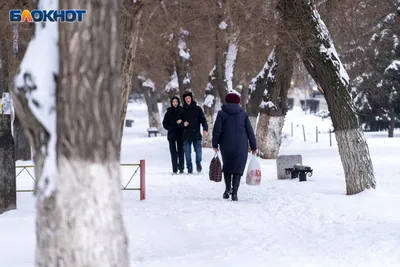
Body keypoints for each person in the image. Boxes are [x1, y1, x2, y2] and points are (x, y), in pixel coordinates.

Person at [212, 92, 257, 201]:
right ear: (238, 102)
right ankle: (235, 193)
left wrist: (215, 144)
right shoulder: (243, 114)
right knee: (238, 167)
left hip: (226, 144)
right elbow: (250, 132)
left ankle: (228, 189)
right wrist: (253, 146)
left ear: (227, 101)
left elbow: (217, 131)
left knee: (227, 166)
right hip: (241, 145)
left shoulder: (221, 113)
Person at [178, 91, 208, 174]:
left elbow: (203, 120)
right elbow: (178, 121)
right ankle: (189, 168)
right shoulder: (182, 110)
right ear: (184, 100)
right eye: (186, 98)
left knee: (198, 152)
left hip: (196, 134)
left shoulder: (198, 109)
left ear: (191, 98)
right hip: (186, 135)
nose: (188, 100)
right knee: (187, 154)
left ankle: (198, 163)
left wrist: (205, 129)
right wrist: (182, 123)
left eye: (189, 98)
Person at [162, 96, 184, 174]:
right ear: (172, 103)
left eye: (176, 102)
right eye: (174, 102)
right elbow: (164, 123)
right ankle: (174, 169)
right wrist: (170, 128)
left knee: (181, 152)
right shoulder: (168, 112)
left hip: (180, 134)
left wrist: (181, 123)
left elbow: (185, 121)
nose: (175, 103)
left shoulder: (182, 110)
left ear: (178, 102)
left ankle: (181, 168)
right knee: (173, 152)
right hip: (171, 135)